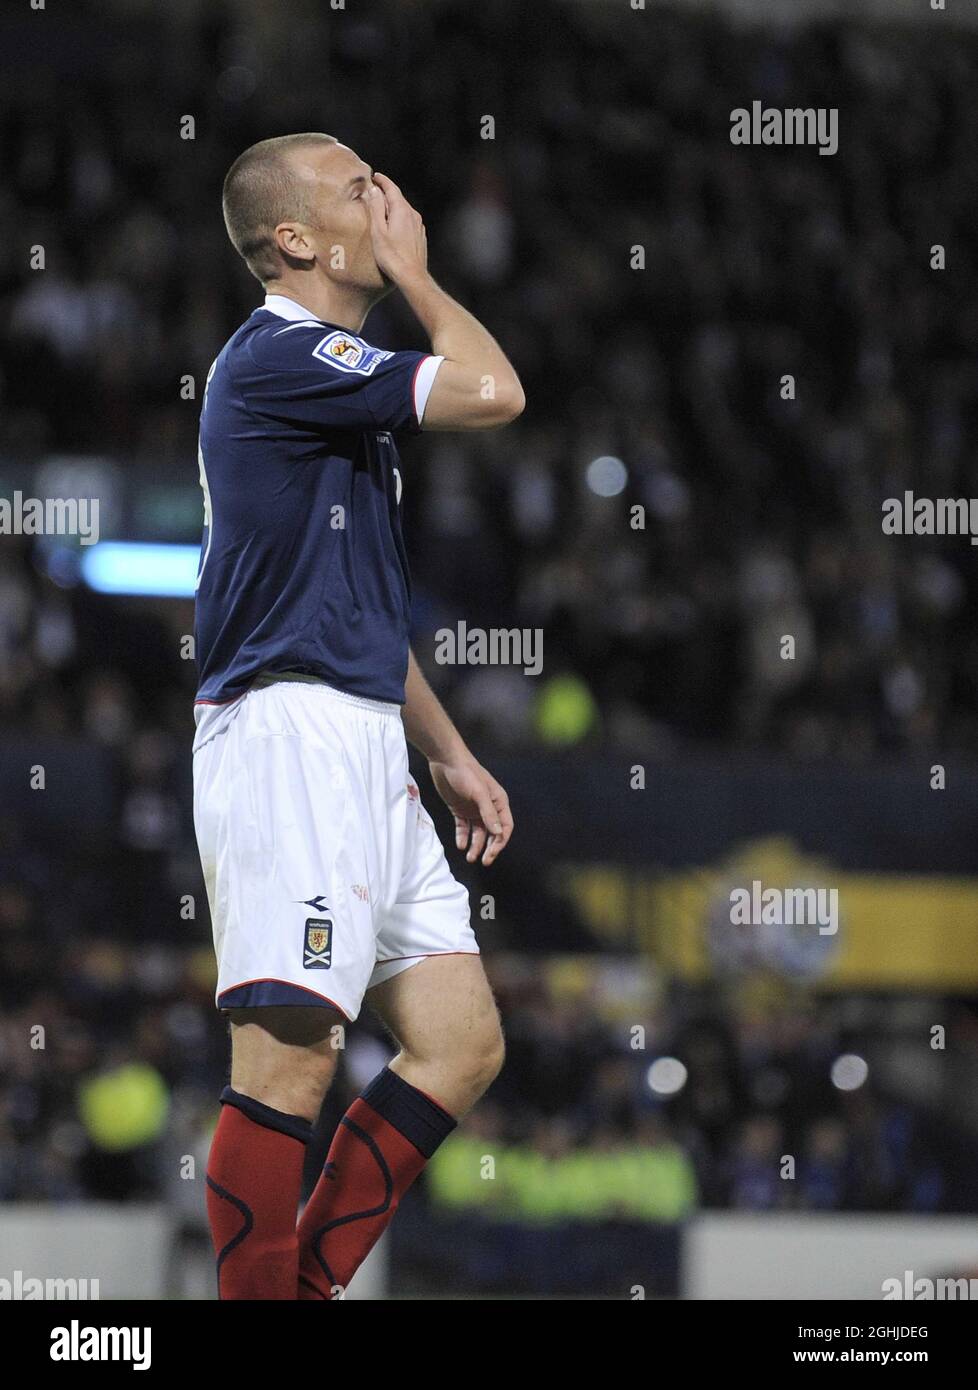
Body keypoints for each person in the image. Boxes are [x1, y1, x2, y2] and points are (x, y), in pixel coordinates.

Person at [192, 132, 524, 1299]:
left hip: (366, 733)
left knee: (461, 1041)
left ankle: (305, 1289)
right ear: (297, 239)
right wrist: (428, 280)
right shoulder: (280, 358)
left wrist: (446, 751)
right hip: (286, 735)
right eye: (357, 191)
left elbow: (361, 605)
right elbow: (496, 390)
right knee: (293, 1063)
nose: (386, 201)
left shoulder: (333, 383)